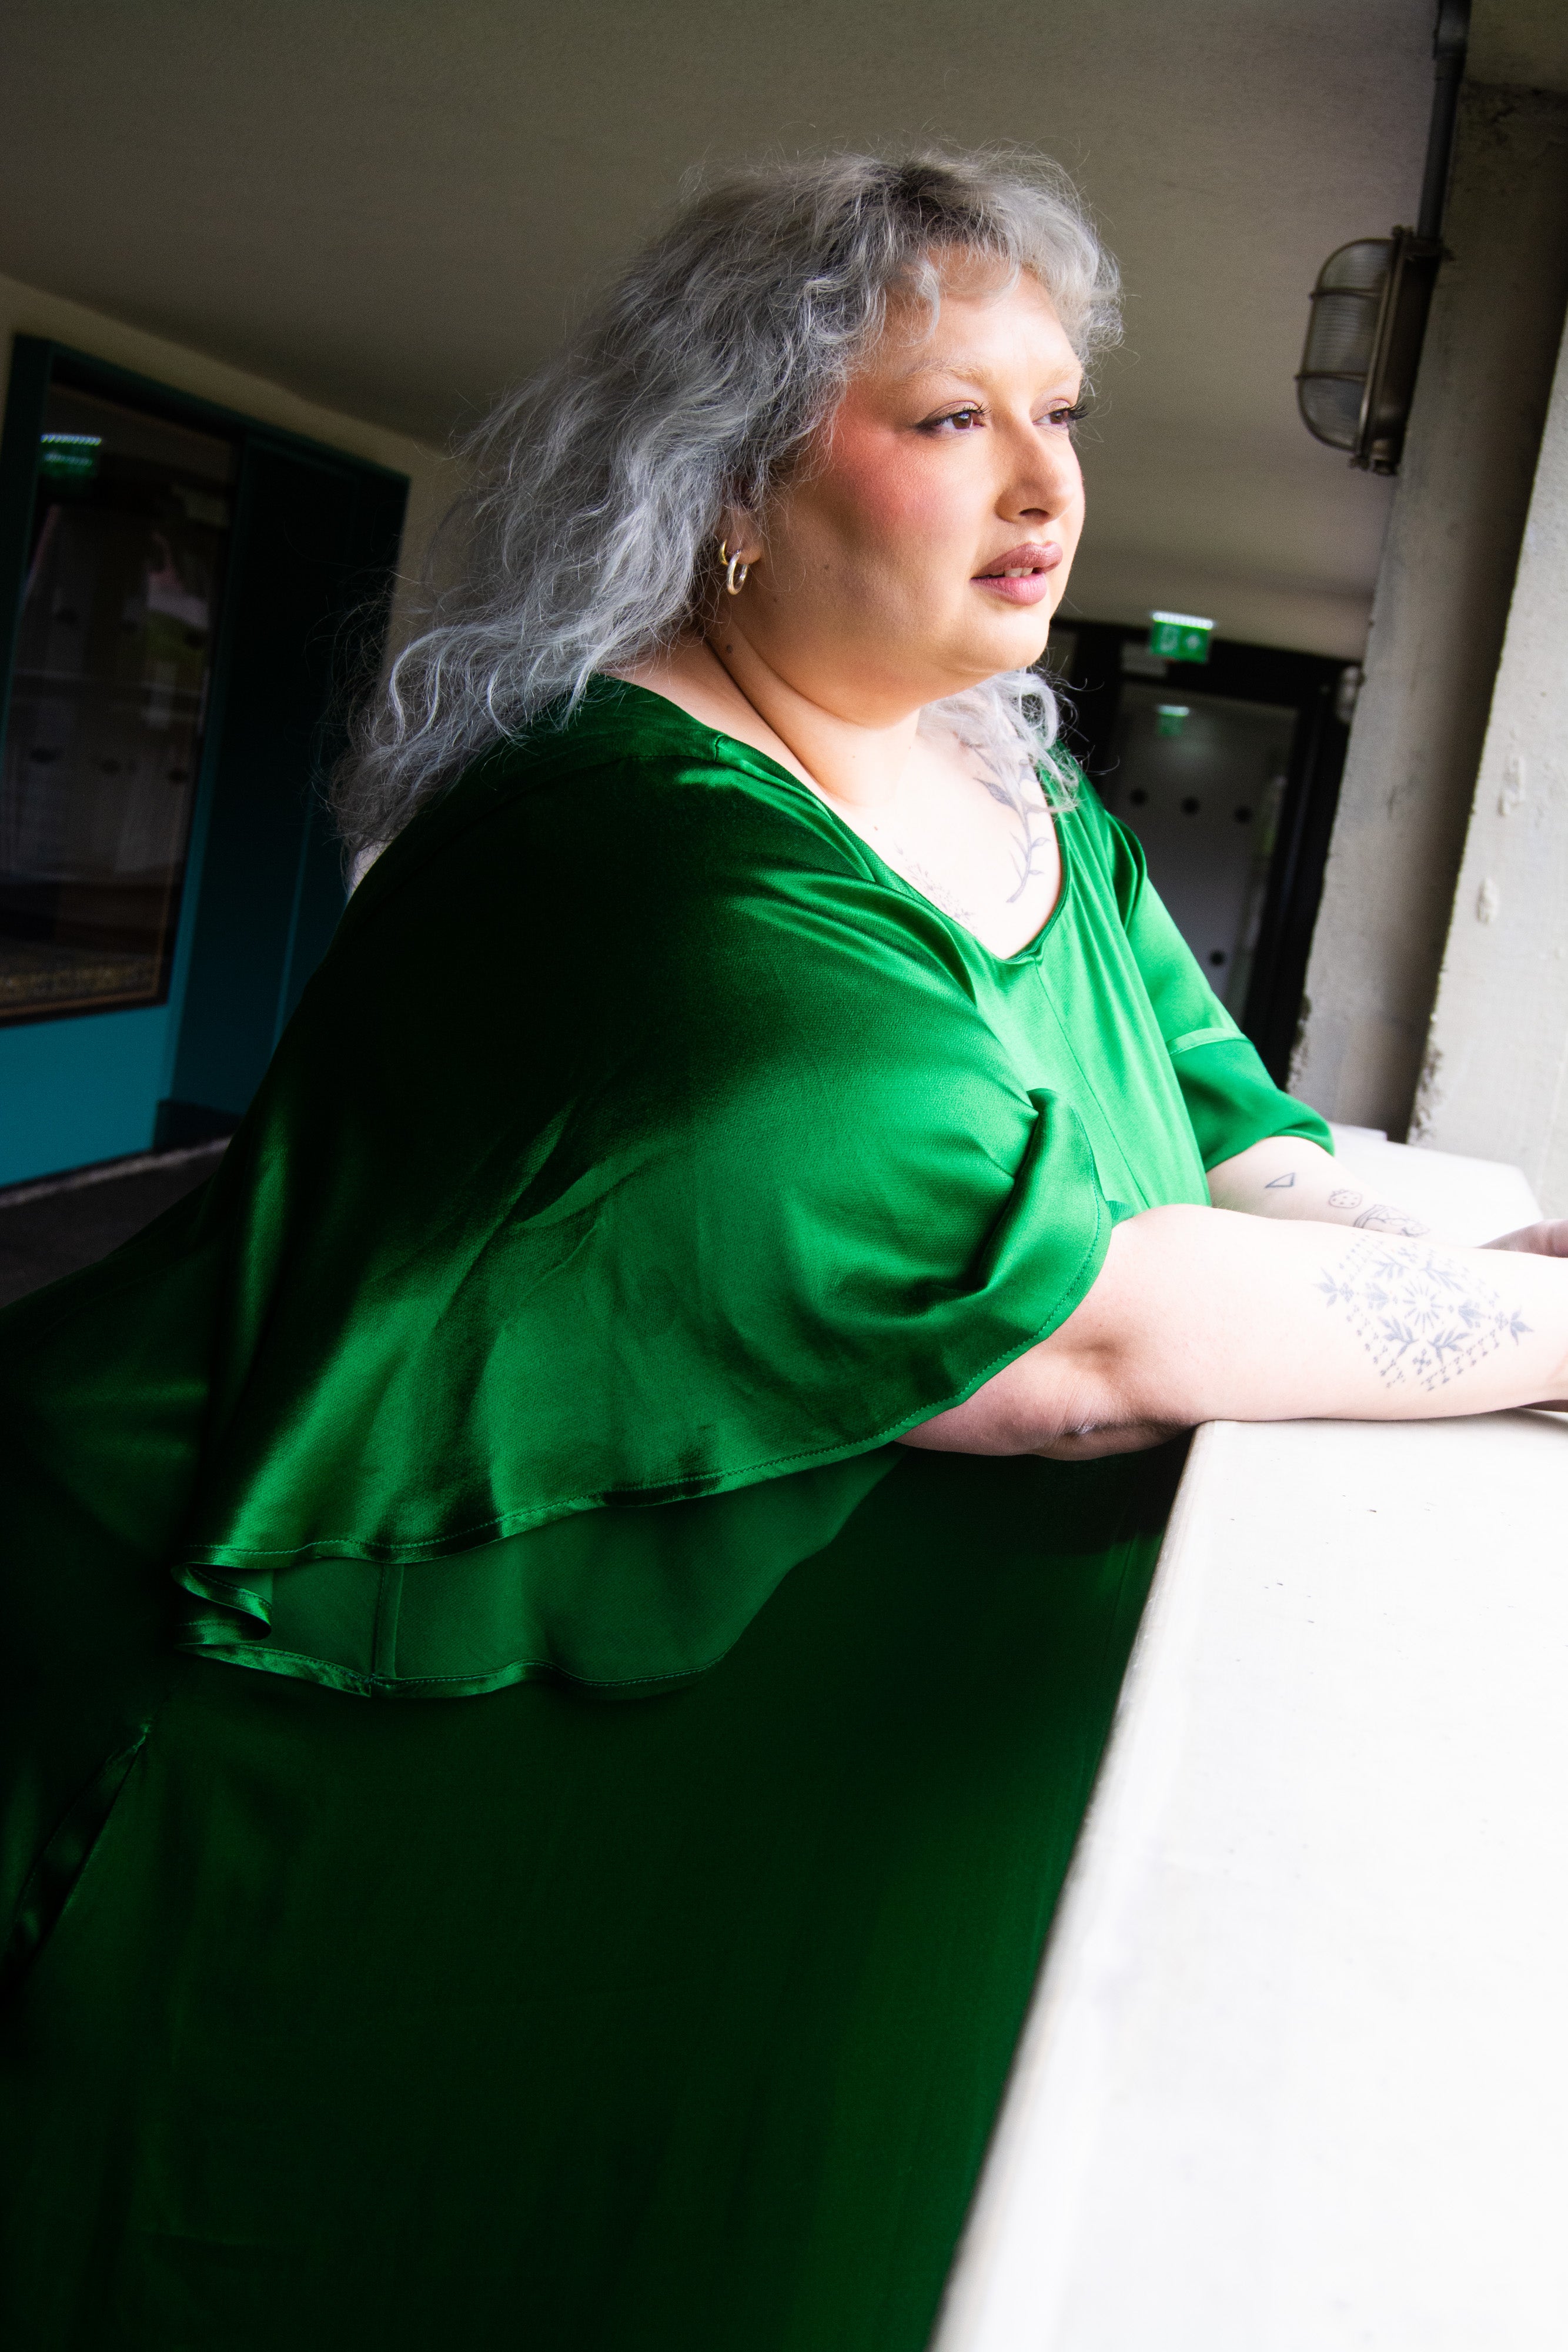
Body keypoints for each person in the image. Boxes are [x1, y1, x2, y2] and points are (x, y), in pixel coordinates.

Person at [2, 152, 1564, 2352]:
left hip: (695, 1749)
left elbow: (1235, 1142)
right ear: (730, 479)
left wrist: (1497, 1239)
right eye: (951, 419)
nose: (1046, 485)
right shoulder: (646, 853)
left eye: (1059, 412)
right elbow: (1063, 1342)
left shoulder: (1016, 801)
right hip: (299, 1710)